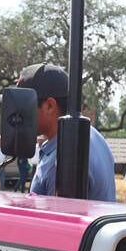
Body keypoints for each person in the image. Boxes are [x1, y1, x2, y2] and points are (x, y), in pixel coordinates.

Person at [19, 64, 117, 202]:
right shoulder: (92, 135)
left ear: (49, 106)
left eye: (23, 106)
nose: (18, 114)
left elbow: (55, 221)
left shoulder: (62, 161)